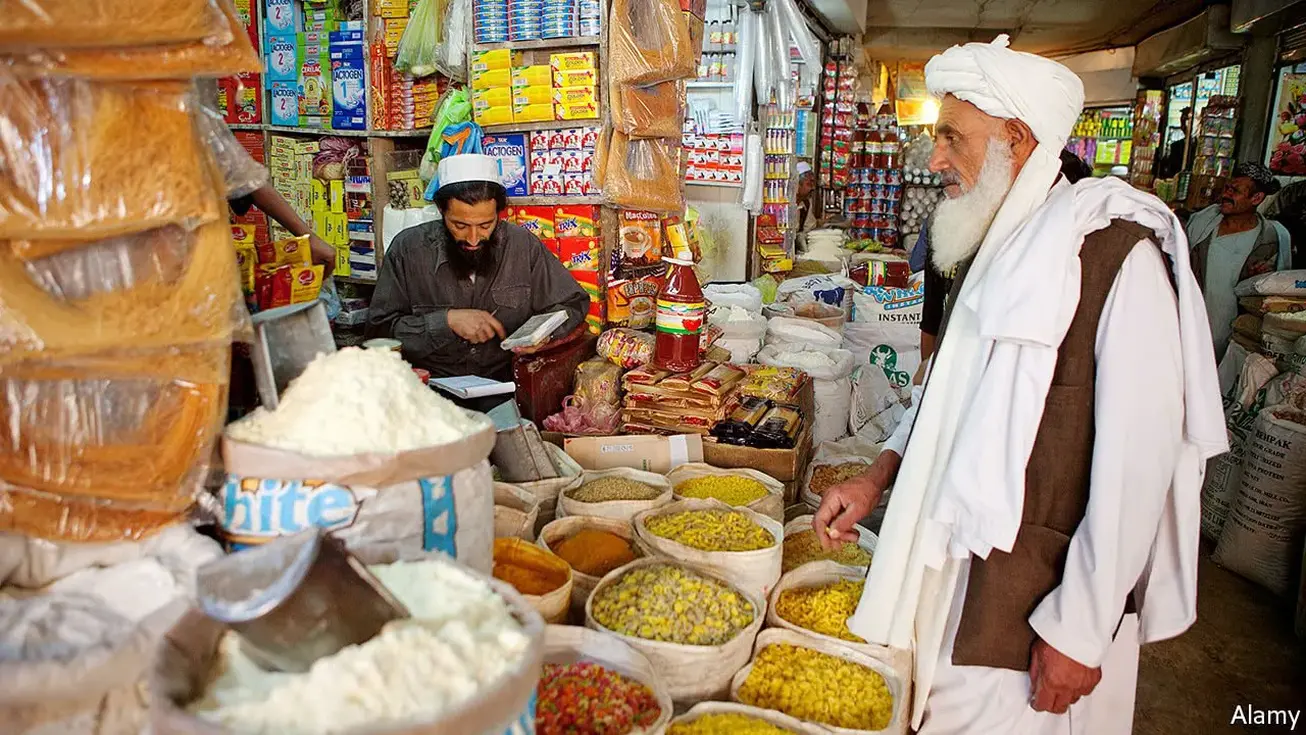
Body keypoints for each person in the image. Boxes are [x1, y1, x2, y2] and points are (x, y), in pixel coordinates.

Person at [813, 35, 1226, 735]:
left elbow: (1137, 465)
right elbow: (947, 396)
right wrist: (878, 476)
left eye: (952, 137)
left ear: (1018, 139)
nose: (935, 158)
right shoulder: (1000, 239)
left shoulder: (1114, 255)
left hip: (1037, 608)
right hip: (954, 578)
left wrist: (1082, 629)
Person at [365, 153, 589, 383]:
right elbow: (379, 331)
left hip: (504, 384)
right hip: (430, 389)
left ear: (498, 215)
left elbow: (572, 303)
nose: (473, 239)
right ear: (442, 212)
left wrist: (543, 333)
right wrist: (445, 322)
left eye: (485, 225)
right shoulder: (408, 250)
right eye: (460, 225)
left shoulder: (522, 245)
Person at [913, 149, 1094, 382]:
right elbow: (932, 318)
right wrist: (927, 380)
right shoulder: (950, 229)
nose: (936, 163)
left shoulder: (1061, 254)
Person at [1185, 162, 1291, 356]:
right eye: (1227, 188)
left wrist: (1258, 278)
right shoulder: (1202, 224)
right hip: (1191, 326)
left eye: (1235, 191)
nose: (1226, 194)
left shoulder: (1270, 239)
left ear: (1256, 198)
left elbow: (1276, 295)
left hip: (1233, 335)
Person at [1155, 107, 1191, 180]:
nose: (1183, 126)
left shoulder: (1181, 146)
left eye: (1185, 121)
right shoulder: (1176, 146)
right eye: (1182, 122)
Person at [796, 161, 820, 232]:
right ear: (797, 184)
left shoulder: (805, 204)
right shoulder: (785, 205)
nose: (812, 188)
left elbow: (810, 226)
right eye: (809, 184)